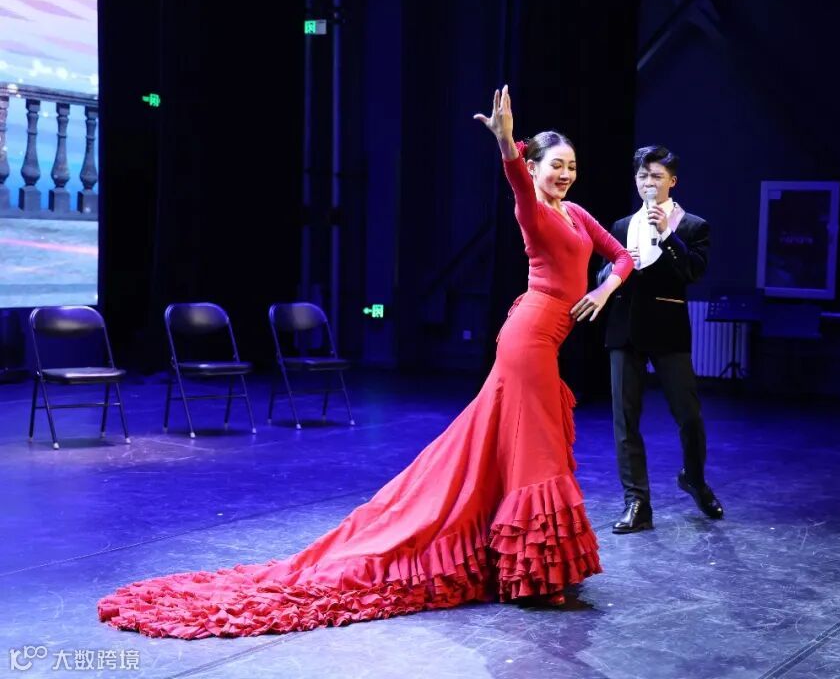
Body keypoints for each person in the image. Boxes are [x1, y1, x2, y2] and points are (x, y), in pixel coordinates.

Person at [96, 86, 633, 639]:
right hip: (528, 341)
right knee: (536, 451)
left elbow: (622, 257)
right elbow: (516, 182)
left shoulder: (575, 214)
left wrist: (603, 289)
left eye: (571, 166)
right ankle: (536, 573)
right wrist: (505, 145)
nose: (564, 174)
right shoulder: (533, 210)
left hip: (546, 339)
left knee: (516, 448)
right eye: (554, 165)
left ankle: (526, 564)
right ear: (536, 167)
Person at [597, 145, 724, 534]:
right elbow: (602, 273)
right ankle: (636, 502)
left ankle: (694, 479)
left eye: (656, 176)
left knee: (689, 415)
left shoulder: (692, 226)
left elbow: (692, 272)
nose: (648, 183)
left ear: (672, 181)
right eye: (642, 176)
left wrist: (667, 234)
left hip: (668, 330)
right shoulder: (621, 226)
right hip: (625, 327)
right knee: (625, 420)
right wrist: (615, 270)